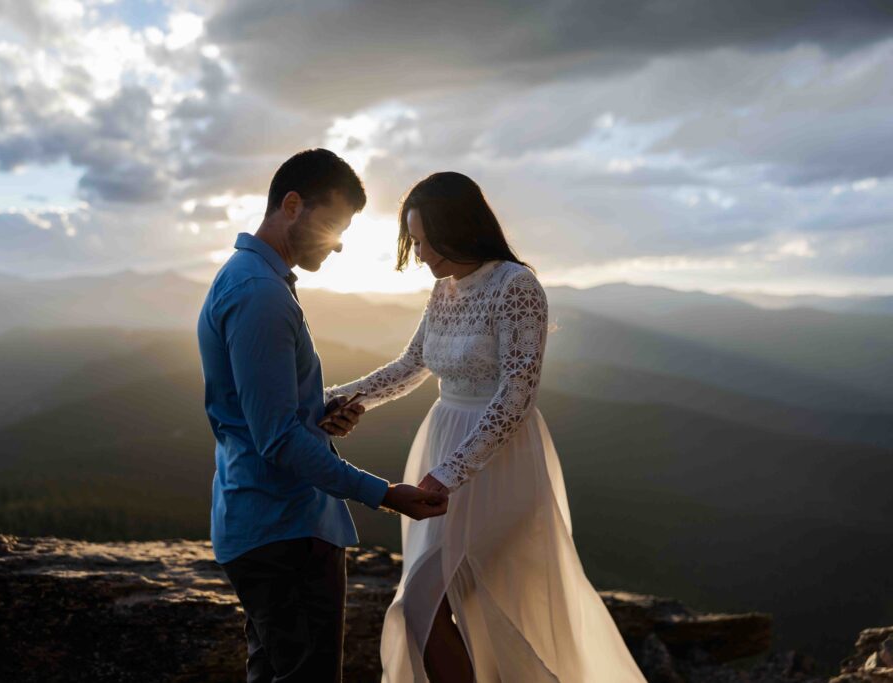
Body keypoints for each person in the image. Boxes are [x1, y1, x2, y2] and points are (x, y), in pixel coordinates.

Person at [326, 172, 648, 682]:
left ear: (460, 228)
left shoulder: (516, 286)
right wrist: (337, 399)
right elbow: (412, 365)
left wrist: (453, 470)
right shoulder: (443, 290)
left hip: (498, 459)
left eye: (428, 240)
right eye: (415, 240)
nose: (422, 253)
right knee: (434, 602)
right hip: (441, 438)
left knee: (455, 601)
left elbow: (519, 391)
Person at [196, 149, 449, 683]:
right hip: (283, 528)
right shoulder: (260, 295)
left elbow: (266, 414)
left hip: (263, 522)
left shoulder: (250, 280)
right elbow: (279, 441)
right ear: (292, 205)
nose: (337, 245)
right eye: (333, 224)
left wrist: (317, 413)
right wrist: (385, 494)